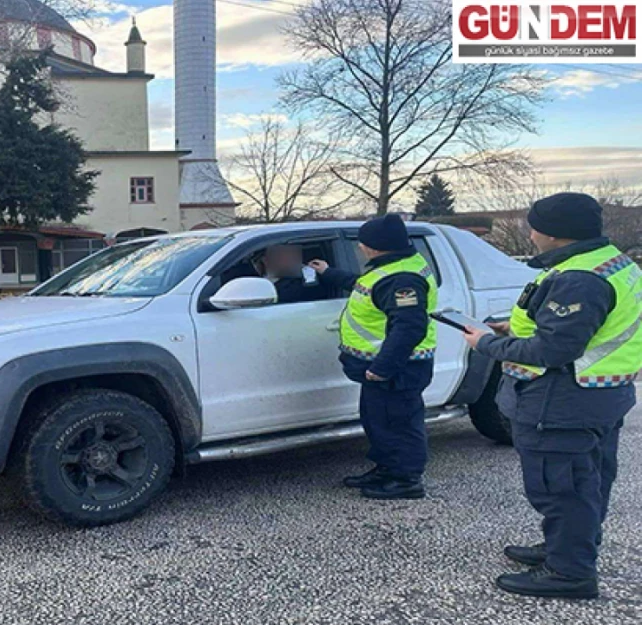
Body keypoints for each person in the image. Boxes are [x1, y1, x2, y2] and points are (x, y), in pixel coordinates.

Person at [463, 192, 642, 600]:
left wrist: (488, 343)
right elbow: (582, 329)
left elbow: (553, 350)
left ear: (553, 233)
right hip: (598, 394)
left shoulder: (579, 278)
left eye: (533, 226)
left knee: (561, 487)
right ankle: (568, 547)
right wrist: (515, 328)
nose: (529, 232)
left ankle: (570, 573)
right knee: (588, 480)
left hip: (562, 399)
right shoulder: (610, 262)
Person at [309, 213, 437, 499]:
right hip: (385, 368)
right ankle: (386, 470)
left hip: (398, 368)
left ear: (374, 246)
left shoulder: (402, 278)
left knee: (400, 424)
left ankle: (406, 481)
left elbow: (409, 327)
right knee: (380, 421)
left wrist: (383, 367)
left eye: (362, 243)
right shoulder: (391, 269)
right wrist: (328, 272)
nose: (359, 247)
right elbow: (367, 287)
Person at [258, 245, 329, 304]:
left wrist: (326, 272)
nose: (294, 257)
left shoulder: (313, 278)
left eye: (296, 253)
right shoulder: (259, 286)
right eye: (284, 254)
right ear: (266, 260)